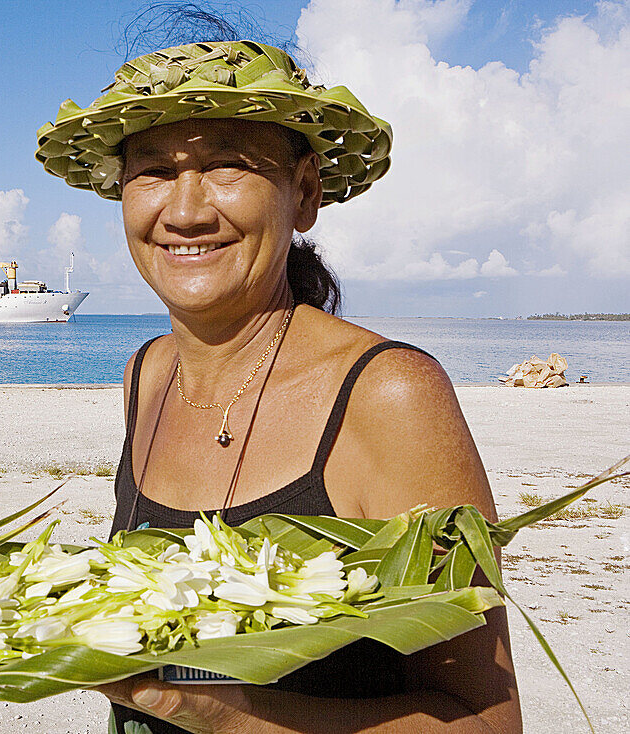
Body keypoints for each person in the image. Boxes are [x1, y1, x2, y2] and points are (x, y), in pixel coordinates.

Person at [35, 33, 522, 734]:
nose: (185, 211)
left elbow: (487, 724)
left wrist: (221, 715)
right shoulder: (146, 374)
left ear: (305, 193)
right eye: (152, 172)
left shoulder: (387, 396)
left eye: (228, 165)